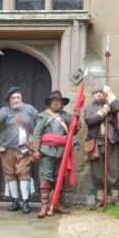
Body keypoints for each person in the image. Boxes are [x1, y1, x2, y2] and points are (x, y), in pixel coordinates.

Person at [32, 90, 77, 218]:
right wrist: (35, 149)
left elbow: (74, 131)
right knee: (45, 178)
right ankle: (44, 206)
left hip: (62, 152)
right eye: (54, 100)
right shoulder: (43, 116)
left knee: (59, 179)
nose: (56, 102)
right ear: (50, 102)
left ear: (62, 103)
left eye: (59, 101)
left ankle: (57, 204)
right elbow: (37, 133)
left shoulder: (67, 116)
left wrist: (76, 117)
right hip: (46, 151)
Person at [0, 87, 38, 214]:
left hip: (24, 148)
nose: (16, 100)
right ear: (9, 100)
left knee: (24, 174)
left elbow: (39, 123)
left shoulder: (30, 109)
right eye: (13, 98)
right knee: (10, 174)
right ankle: (15, 201)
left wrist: (36, 142)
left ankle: (25, 202)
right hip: (7, 148)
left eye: (18, 97)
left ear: (21, 98)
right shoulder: (4, 111)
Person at [84, 84, 119, 209]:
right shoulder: (89, 108)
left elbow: (118, 107)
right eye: (96, 93)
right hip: (95, 144)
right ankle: (100, 198)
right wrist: (102, 112)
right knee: (97, 171)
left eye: (101, 92)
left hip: (111, 141)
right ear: (93, 95)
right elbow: (89, 120)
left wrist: (110, 94)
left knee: (114, 169)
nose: (99, 94)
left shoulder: (111, 104)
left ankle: (116, 197)